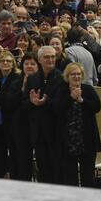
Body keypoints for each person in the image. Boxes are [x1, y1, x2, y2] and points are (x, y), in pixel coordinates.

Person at [51, 62, 101, 187]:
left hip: (86, 140)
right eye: (73, 74)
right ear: (67, 76)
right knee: (69, 176)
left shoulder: (88, 89)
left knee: (88, 176)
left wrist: (81, 101)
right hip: (68, 140)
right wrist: (70, 98)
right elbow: (56, 109)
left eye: (79, 74)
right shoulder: (61, 90)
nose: (76, 77)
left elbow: (97, 107)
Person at [21, 45, 64, 183]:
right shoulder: (32, 78)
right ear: (39, 59)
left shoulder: (62, 77)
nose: (50, 59)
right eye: (46, 57)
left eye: (53, 56)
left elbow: (62, 104)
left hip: (56, 132)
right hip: (38, 132)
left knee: (57, 169)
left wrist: (45, 102)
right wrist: (32, 102)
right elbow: (24, 104)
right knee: (42, 169)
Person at [0, 51, 24, 178]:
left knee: (15, 154)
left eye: (8, 61)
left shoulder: (17, 78)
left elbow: (10, 102)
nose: (5, 63)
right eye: (2, 61)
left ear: (13, 64)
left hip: (12, 122)